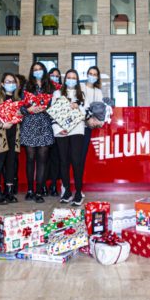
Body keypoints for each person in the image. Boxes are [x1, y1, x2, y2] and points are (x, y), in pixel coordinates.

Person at [20, 62, 57, 203]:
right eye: (35, 69)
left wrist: (47, 108)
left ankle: (39, 191)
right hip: (29, 124)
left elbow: (56, 107)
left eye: (40, 69)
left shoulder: (50, 87)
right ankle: (30, 190)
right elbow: (20, 106)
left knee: (42, 160)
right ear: (31, 72)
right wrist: (28, 110)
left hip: (44, 124)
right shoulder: (26, 86)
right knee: (30, 159)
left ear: (44, 71)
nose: (37, 71)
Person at [53, 69, 88, 205]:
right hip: (62, 131)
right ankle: (66, 191)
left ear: (77, 80)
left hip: (77, 130)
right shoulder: (57, 93)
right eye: (69, 77)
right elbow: (53, 113)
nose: (71, 80)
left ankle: (78, 192)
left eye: (74, 78)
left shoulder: (81, 94)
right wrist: (58, 129)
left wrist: (77, 107)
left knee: (76, 161)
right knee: (63, 161)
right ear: (65, 79)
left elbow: (86, 113)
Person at [0, 73, 22, 204]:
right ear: (2, 84)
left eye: (13, 82)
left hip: (14, 135)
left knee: (11, 164)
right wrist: (2, 124)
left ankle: (9, 192)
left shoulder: (17, 99)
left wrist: (20, 114)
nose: (11, 84)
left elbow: (20, 118)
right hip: (0, 135)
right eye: (8, 81)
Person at [81, 66, 105, 167]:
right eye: (90, 74)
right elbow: (79, 106)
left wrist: (97, 121)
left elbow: (100, 109)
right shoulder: (80, 86)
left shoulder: (98, 91)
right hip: (77, 126)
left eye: (95, 74)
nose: (92, 76)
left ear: (97, 77)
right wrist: (87, 118)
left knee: (83, 155)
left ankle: (79, 177)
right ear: (87, 74)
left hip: (88, 127)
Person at [45, 67, 63, 197]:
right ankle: (42, 185)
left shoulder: (61, 91)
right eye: (52, 75)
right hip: (44, 127)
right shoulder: (44, 89)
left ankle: (53, 185)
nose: (55, 78)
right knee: (44, 158)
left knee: (56, 158)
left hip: (57, 127)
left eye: (57, 76)